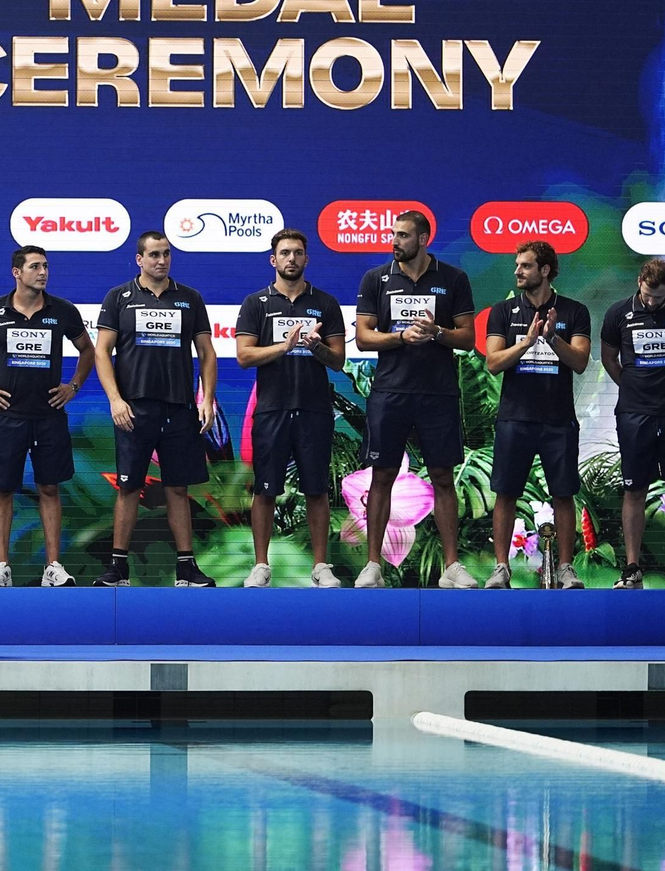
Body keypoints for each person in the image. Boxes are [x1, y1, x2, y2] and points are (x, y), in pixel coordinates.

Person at [353, 210, 477, 589]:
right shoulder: (376, 278)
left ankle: (451, 566)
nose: (395, 241)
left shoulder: (453, 278)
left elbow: (468, 338)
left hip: (437, 393)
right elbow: (362, 337)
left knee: (442, 476)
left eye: (404, 235)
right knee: (383, 475)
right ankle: (373, 564)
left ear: (423, 239)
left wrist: (438, 332)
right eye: (394, 234)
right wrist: (400, 338)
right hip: (390, 393)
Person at [0, 245, 95, 587]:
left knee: (49, 487)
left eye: (46, 266)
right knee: (3, 490)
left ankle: (53, 566)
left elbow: (87, 349)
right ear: (16, 272)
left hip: (49, 416)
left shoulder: (63, 311)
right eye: (35, 266)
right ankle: (2, 567)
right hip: (9, 416)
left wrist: (73, 386)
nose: (43, 272)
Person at [94, 230, 218, 587]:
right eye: (153, 255)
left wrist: (206, 399)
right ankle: (118, 568)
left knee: (178, 488)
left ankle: (186, 568)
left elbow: (207, 353)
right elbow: (102, 351)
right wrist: (115, 399)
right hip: (134, 408)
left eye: (166, 254)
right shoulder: (119, 297)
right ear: (139, 259)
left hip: (179, 408)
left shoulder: (190, 298)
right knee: (129, 486)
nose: (160, 261)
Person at [234, 229, 347, 588]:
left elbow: (339, 360)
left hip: (314, 410)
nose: (292, 259)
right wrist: (282, 348)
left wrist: (317, 347)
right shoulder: (256, 303)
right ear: (274, 260)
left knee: (317, 489)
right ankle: (261, 565)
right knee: (265, 490)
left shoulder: (325, 304)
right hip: (272, 409)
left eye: (298, 253)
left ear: (306, 259)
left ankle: (320, 566)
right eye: (285, 253)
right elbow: (243, 356)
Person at [484, 241, 590, 589]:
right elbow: (493, 363)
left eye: (526, 266)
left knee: (563, 493)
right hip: (515, 418)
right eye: (517, 265)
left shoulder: (574, 311)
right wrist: (527, 343)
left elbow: (579, 362)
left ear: (545, 270)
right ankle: (501, 568)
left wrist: (552, 338)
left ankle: (564, 568)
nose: (518, 271)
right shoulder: (502, 311)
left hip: (558, 420)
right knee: (506, 493)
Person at [600, 258, 665, 589]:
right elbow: (609, 356)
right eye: (647, 295)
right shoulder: (618, 313)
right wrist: (633, 387)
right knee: (635, 489)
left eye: (658, 297)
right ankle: (632, 568)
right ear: (639, 282)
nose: (651, 302)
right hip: (634, 414)